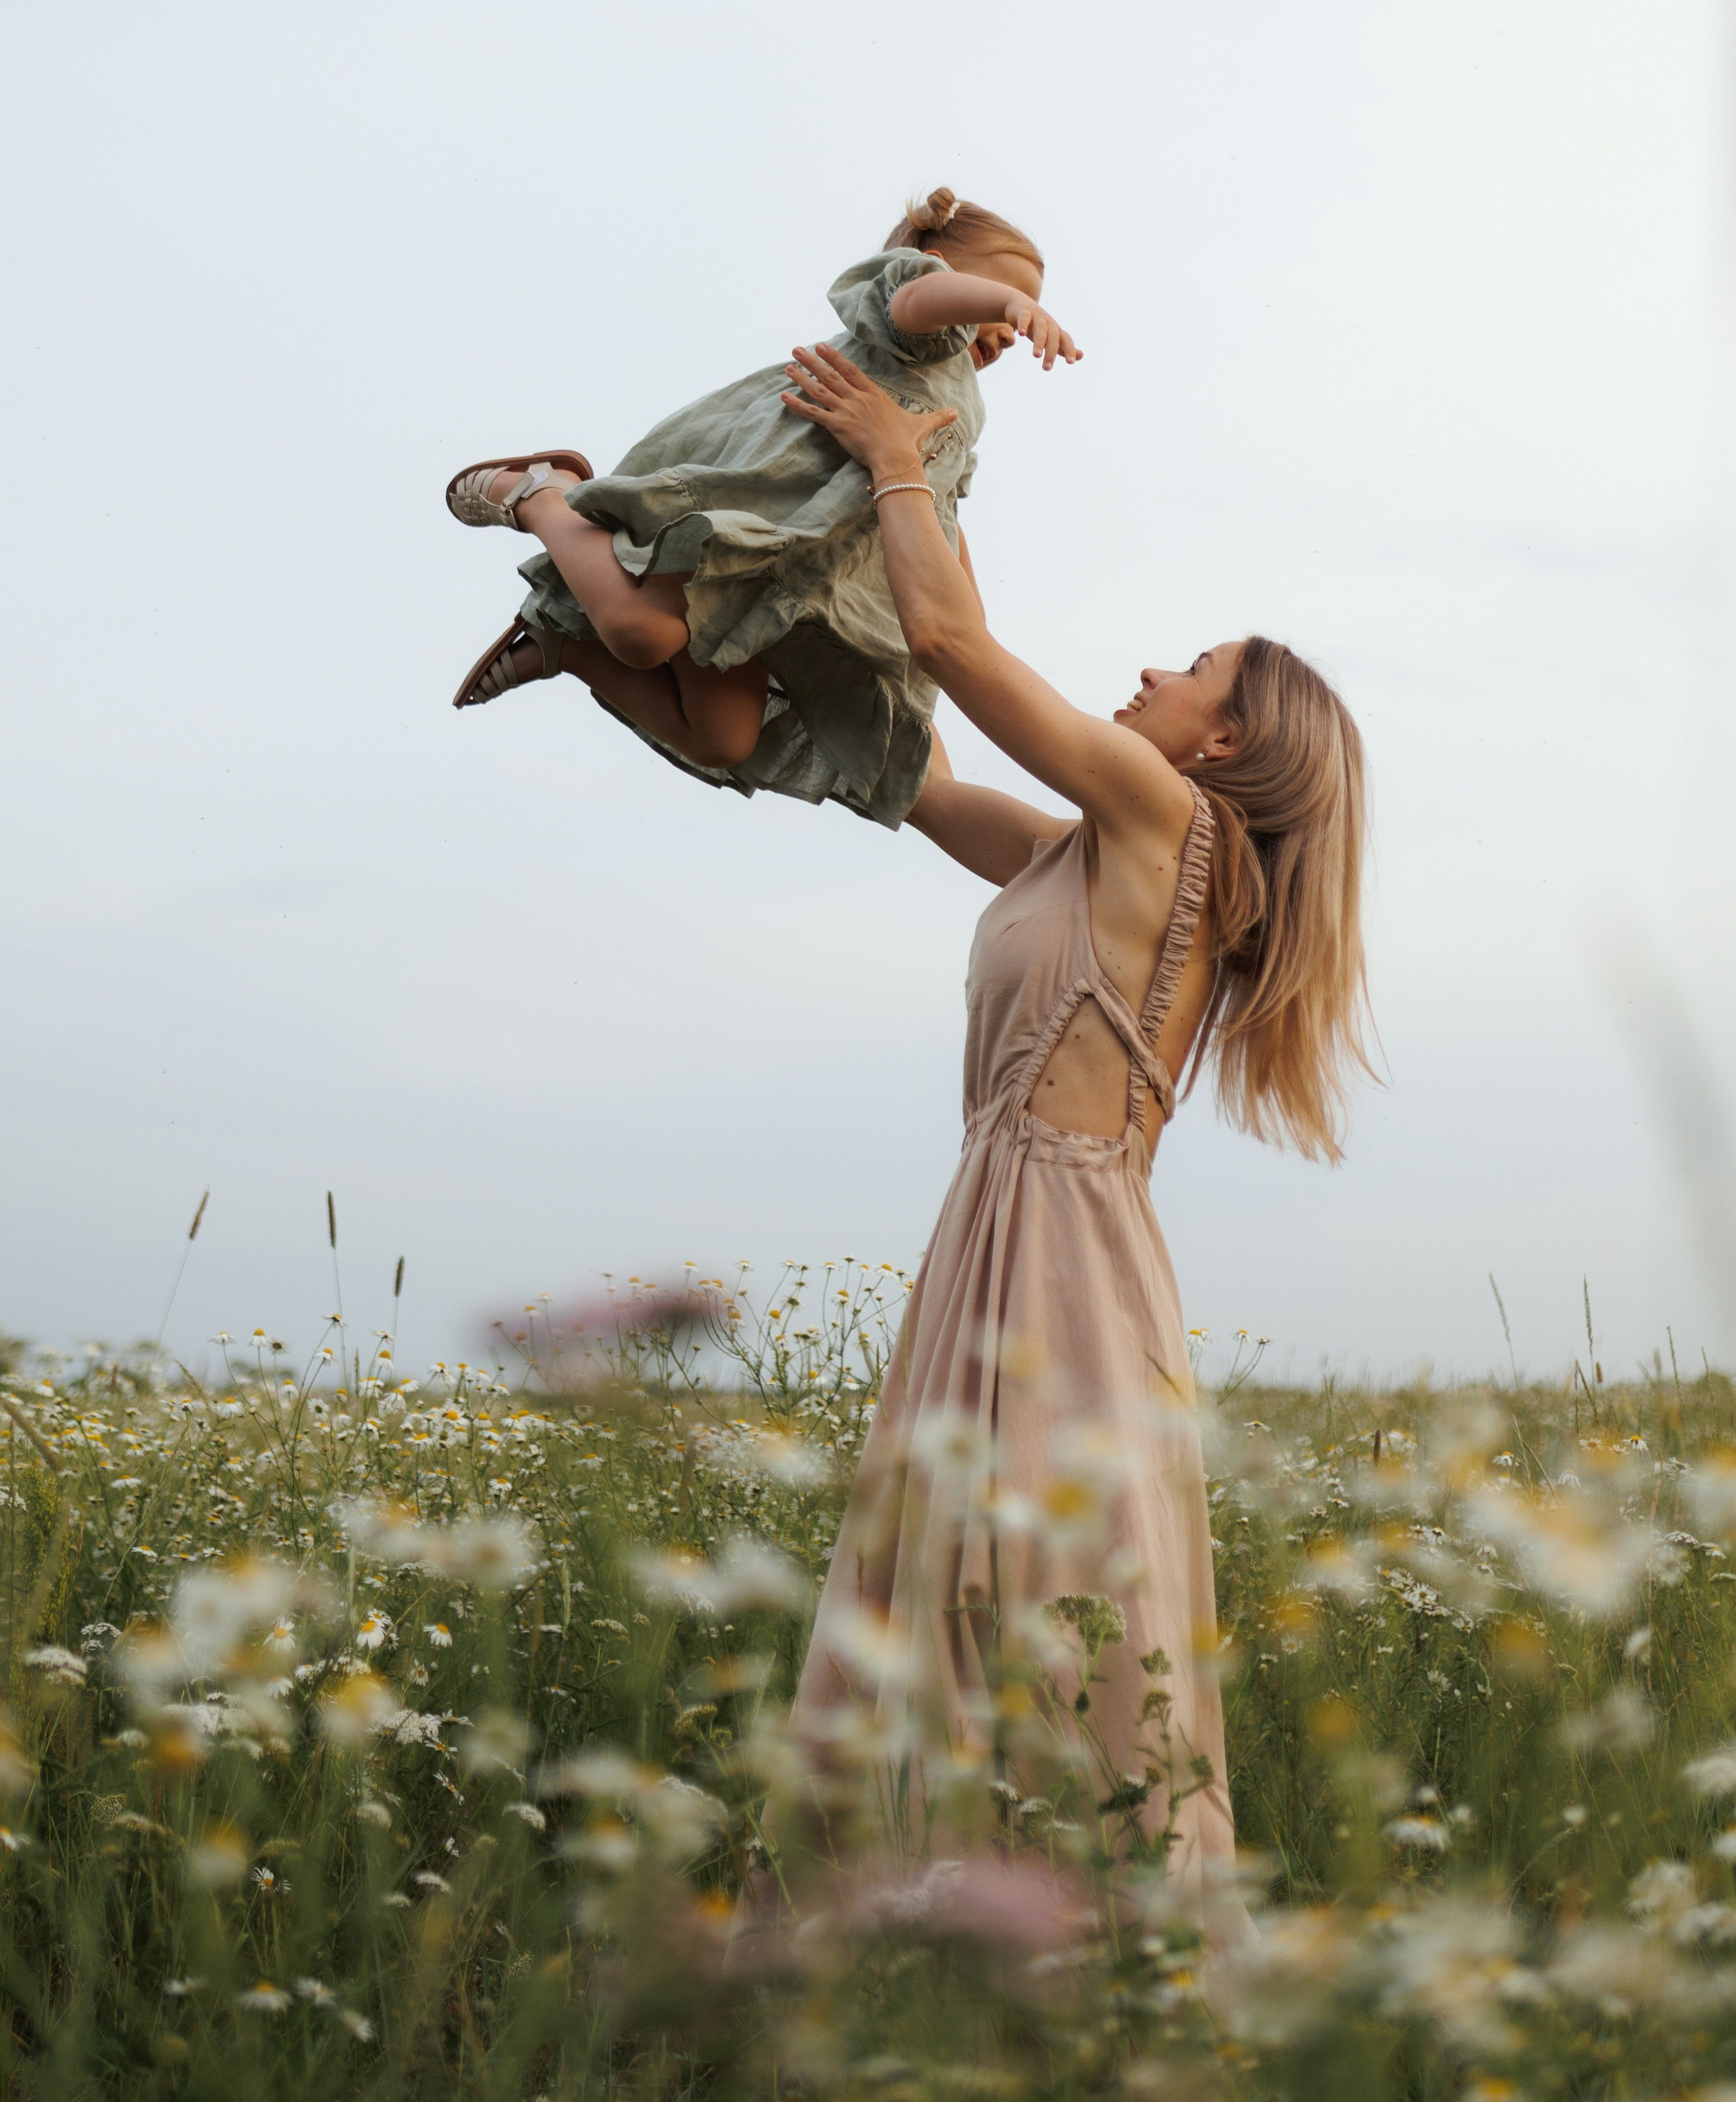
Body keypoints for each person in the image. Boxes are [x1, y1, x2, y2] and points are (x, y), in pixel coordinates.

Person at [768, 338, 1372, 1892]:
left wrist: (893, 450)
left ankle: (1073, 1972)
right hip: (1012, 1235)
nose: (1154, 674)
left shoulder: (1173, 828)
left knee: (1030, 1607)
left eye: (1190, 672)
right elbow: (913, 773)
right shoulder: (1084, 853)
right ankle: (936, 1952)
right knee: (955, 1599)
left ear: (1221, 743)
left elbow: (957, 647)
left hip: (1059, 1266)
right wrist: (910, 479)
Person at [442, 192, 1079, 829]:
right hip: (755, 515)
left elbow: (938, 506)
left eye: (1024, 307)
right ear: (938, 266)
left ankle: (563, 648)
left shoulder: (966, 408)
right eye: (1010, 296)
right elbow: (918, 300)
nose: (1017, 326)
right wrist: (1002, 302)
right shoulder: (914, 325)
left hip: (802, 583)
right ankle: (541, 495)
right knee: (644, 633)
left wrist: (969, 616)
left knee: (724, 737)